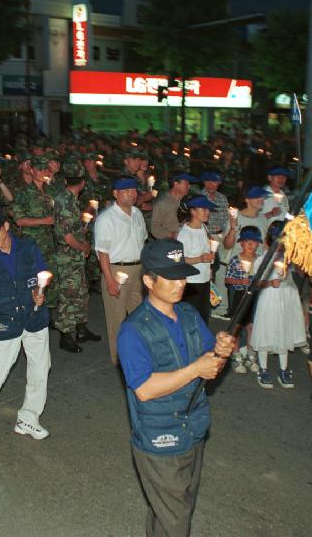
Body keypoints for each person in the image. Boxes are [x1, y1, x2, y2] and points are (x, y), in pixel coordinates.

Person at [117, 238, 234, 537]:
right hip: (160, 437)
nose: (180, 283)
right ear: (148, 280)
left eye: (181, 275)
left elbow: (210, 365)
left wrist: (221, 351)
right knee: (176, 519)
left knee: (176, 508)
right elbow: (143, 389)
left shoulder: (188, 314)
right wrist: (196, 368)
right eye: (170, 277)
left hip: (194, 427)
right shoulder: (134, 330)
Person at [0, 203, 52, 440]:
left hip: (34, 317)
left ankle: (28, 418)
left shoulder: (29, 247)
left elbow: (40, 276)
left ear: (6, 226)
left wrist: (39, 291)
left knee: (40, 370)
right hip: (4, 321)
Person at [94, 176, 148, 365]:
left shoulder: (138, 214)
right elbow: (103, 253)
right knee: (117, 317)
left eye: (134, 190)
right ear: (115, 193)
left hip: (138, 267)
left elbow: (142, 242)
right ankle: (119, 359)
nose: (132, 194)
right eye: (126, 191)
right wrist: (109, 280)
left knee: (140, 314)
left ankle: (138, 352)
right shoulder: (106, 219)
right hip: (117, 269)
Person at [249, 222, 306, 389]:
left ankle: (283, 369)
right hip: (269, 299)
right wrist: (269, 282)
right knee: (267, 329)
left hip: (286, 299)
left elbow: (297, 276)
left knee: (284, 330)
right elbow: (256, 283)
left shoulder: (288, 259)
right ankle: (263, 368)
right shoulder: (263, 259)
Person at [53, 160, 100, 353]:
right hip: (69, 256)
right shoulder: (65, 201)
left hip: (75, 255)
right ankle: (65, 335)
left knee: (81, 292)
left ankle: (80, 327)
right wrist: (84, 247)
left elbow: (71, 226)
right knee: (69, 295)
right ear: (82, 182)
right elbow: (66, 237)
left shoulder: (69, 199)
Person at [12, 155, 58, 311]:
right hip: (32, 243)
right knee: (33, 278)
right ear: (31, 171)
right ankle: (32, 308)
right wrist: (45, 220)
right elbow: (19, 220)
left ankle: (49, 310)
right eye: (39, 169)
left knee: (51, 277)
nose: (43, 172)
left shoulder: (50, 191)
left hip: (50, 242)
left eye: (45, 169)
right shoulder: (23, 193)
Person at [176, 194, 226, 324]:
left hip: (204, 280)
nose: (207, 212)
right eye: (203, 209)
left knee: (203, 317)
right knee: (191, 319)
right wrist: (200, 258)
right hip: (191, 283)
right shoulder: (184, 234)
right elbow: (179, 260)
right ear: (192, 211)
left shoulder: (203, 227)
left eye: (208, 209)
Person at [224, 226, 262, 374]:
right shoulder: (235, 260)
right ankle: (236, 354)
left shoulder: (260, 260)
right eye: (247, 242)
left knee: (252, 326)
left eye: (254, 242)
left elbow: (264, 278)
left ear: (258, 243)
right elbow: (227, 279)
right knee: (237, 326)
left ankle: (251, 355)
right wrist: (240, 282)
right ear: (241, 243)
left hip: (255, 297)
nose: (251, 245)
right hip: (240, 296)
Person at [150, 172, 195, 240]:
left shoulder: (188, 202)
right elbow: (154, 228)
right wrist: (171, 234)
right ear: (176, 184)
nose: (189, 186)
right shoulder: (162, 203)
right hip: (169, 245)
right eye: (186, 183)